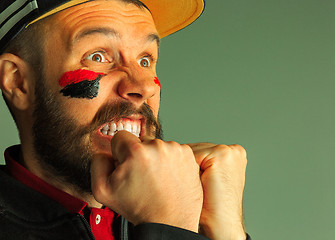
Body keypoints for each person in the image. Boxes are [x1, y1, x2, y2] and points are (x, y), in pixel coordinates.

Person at [0, 0, 250, 239]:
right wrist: (168, 229)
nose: (142, 86)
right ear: (18, 81)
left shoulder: (191, 217)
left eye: (145, 60)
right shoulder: (173, 219)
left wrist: (228, 236)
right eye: (98, 56)